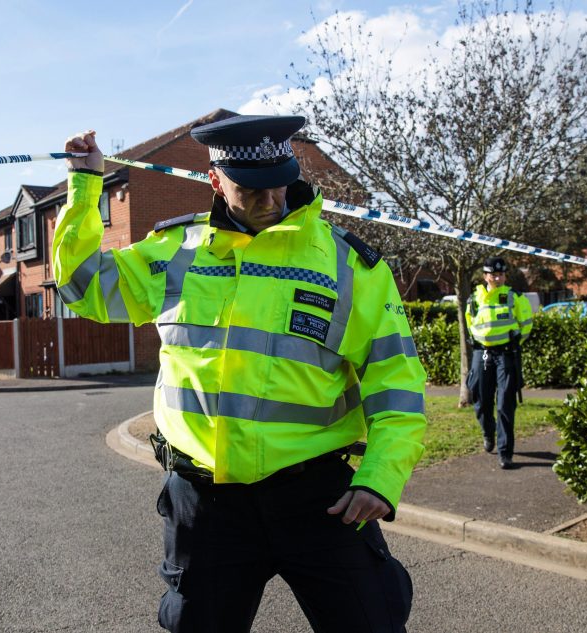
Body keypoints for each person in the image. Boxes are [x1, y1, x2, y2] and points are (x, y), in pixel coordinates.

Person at [54, 115, 427, 633]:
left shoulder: (348, 266)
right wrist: (85, 184)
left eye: (280, 183)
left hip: (319, 498)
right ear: (214, 180)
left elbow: (397, 383)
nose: (271, 200)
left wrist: (382, 478)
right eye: (251, 189)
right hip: (206, 503)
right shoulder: (174, 253)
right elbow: (81, 287)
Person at [465, 257, 533, 470]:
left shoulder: (514, 297)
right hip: (483, 354)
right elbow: (469, 323)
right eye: (493, 274)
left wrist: (515, 342)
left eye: (501, 274)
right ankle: (488, 431)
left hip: (505, 354)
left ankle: (505, 453)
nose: (498, 277)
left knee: (505, 403)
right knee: (482, 398)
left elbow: (527, 323)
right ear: (485, 276)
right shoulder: (475, 298)